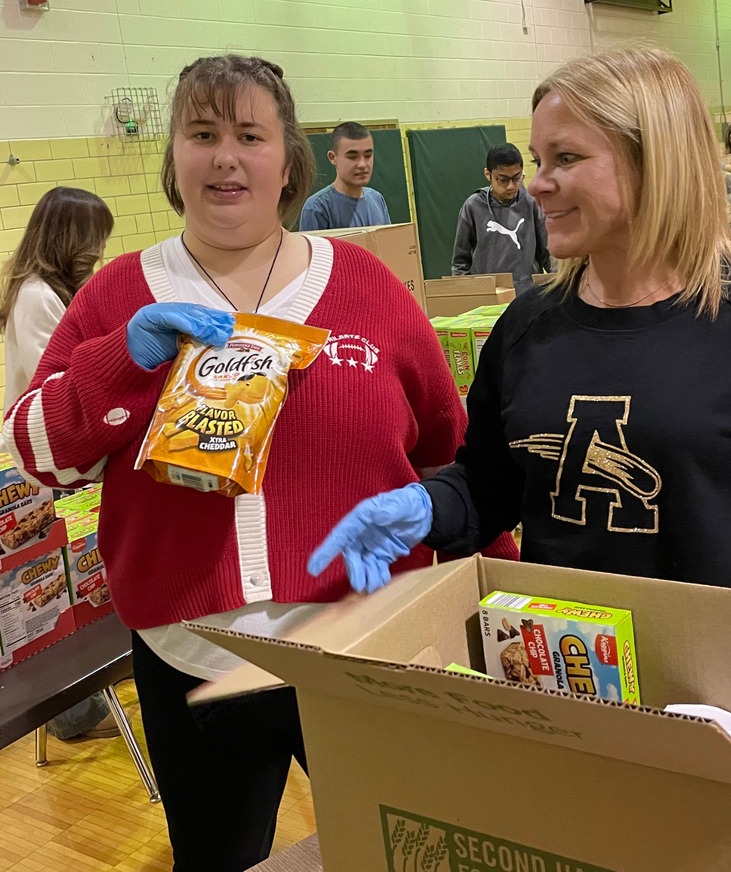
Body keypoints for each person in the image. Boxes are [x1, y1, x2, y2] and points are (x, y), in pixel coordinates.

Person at [3, 55, 517, 871]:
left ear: (288, 160)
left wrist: (498, 599)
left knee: (408, 853)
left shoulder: (366, 286)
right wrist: (120, 362)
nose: (226, 157)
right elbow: (39, 455)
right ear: (174, 155)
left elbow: (454, 457)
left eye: (250, 135)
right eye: (202, 134)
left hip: (366, 654)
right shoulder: (117, 297)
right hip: (193, 667)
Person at [309, 46, 731, 596]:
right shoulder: (527, 326)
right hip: (561, 643)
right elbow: (490, 484)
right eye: (538, 161)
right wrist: (427, 505)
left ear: (655, 161)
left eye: (566, 158)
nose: (536, 185)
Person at [0, 185, 117, 740]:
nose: (98, 251)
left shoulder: (54, 290)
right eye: (92, 239)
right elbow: (60, 377)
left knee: (79, 579)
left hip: (65, 456)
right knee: (61, 589)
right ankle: (72, 715)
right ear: (67, 236)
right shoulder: (36, 295)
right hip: (45, 461)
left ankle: (81, 708)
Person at [452, 143, 552, 295]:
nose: (511, 186)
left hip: (528, 294)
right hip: (489, 297)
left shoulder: (532, 203)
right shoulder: (473, 206)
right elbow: (460, 263)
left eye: (516, 178)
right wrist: (468, 295)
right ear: (488, 174)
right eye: (503, 180)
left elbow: (549, 255)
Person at [299, 121, 391, 230]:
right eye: (352, 157)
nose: (362, 164)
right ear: (333, 157)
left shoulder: (377, 199)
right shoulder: (317, 208)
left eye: (368, 155)